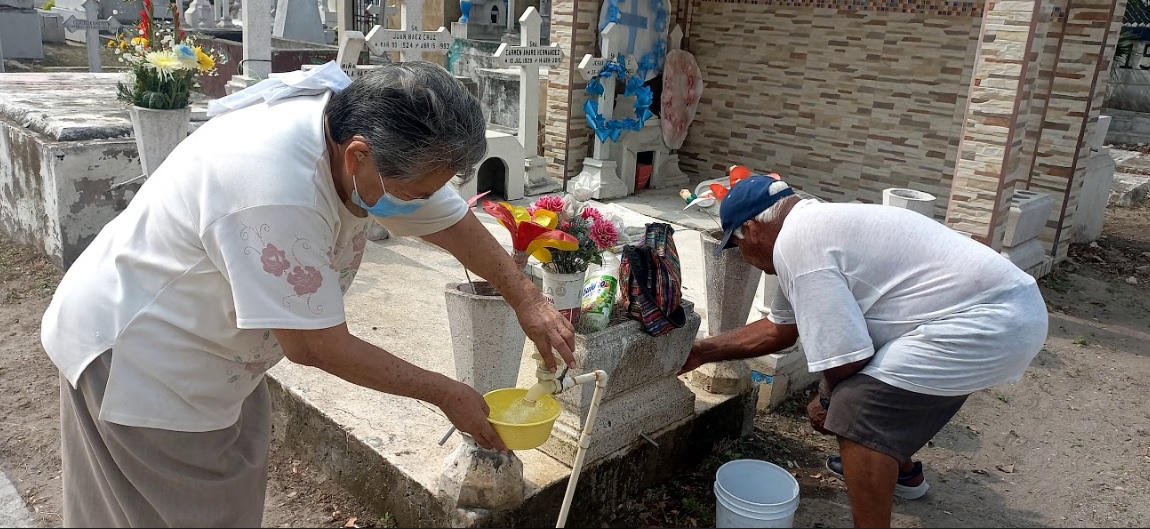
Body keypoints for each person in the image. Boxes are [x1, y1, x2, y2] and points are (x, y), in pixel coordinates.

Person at [40, 60, 577, 528]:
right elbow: (315, 345)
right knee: (161, 513)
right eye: (415, 193)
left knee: (223, 498)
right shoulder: (274, 191)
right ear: (358, 156)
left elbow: (452, 221)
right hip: (137, 356)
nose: (423, 204)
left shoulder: (356, 129)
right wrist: (446, 392)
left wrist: (526, 298)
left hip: (216, 355)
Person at [680, 175, 1048, 528]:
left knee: (857, 408)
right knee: (880, 389)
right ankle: (903, 474)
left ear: (752, 230)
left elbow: (847, 360)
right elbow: (780, 329)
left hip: (989, 322)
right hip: (1001, 310)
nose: (742, 256)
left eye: (736, 245)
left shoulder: (799, 246)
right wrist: (700, 352)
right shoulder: (807, 231)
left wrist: (826, 400)